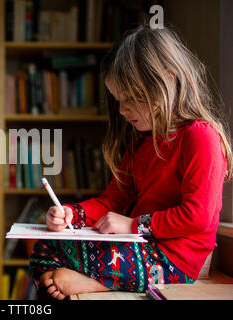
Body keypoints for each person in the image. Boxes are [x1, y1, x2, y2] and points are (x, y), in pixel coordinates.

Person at [29, 25, 232, 300]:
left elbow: (197, 216)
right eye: (118, 100)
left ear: (167, 81)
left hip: (173, 261)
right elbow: (112, 200)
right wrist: (71, 214)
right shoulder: (140, 144)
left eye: (130, 99)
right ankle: (95, 281)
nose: (123, 111)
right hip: (135, 245)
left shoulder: (200, 136)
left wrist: (133, 225)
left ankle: (95, 283)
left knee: (56, 267)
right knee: (44, 248)